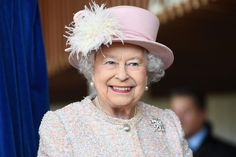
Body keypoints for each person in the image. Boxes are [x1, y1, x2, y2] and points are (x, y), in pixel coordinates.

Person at [37, 2, 192, 156]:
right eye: (110, 62)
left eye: (134, 63)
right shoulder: (61, 126)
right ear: (92, 69)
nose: (122, 75)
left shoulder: (167, 123)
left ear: (147, 72)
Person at [170, 88, 236, 157]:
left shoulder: (229, 153)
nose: (178, 118)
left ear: (203, 113)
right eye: (174, 112)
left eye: (186, 112)